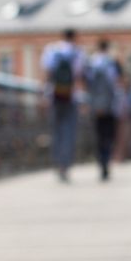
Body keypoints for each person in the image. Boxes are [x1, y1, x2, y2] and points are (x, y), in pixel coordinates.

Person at [40, 29, 83, 182]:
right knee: (69, 132)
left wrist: (44, 95)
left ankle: (58, 163)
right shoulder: (76, 52)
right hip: (71, 97)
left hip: (54, 96)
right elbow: (79, 76)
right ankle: (66, 165)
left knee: (56, 132)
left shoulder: (52, 50)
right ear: (74, 37)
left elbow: (47, 73)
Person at [84, 40, 120, 181]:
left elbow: (88, 85)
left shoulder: (91, 63)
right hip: (110, 105)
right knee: (109, 136)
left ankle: (102, 163)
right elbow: (116, 84)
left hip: (96, 105)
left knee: (99, 135)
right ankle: (106, 161)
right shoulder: (112, 63)